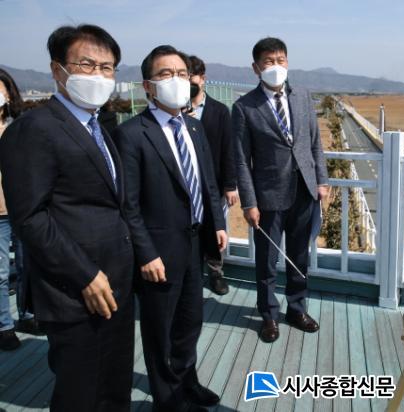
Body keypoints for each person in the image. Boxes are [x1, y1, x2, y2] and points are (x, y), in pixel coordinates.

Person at [0, 25, 135, 412]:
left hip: (116, 284)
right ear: (57, 70)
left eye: (107, 68)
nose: (98, 76)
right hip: (76, 290)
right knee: (81, 392)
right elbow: (31, 217)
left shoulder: (97, 127)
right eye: (87, 65)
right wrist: (85, 275)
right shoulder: (34, 129)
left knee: (114, 385)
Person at [113, 45, 228, 412]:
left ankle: (187, 382)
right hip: (159, 252)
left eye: (181, 73)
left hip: (195, 243)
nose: (176, 80)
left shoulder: (194, 127)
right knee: (160, 329)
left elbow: (207, 182)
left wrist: (217, 224)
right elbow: (128, 204)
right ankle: (168, 399)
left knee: (190, 322)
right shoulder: (132, 134)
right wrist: (145, 253)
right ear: (148, 86)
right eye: (165, 74)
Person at [233, 37, 329, 343]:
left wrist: (322, 181)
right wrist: (249, 203)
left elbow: (315, 143)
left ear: (288, 62)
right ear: (256, 68)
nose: (276, 66)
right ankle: (269, 316)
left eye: (281, 60)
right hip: (268, 197)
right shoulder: (244, 107)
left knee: (299, 256)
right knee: (267, 262)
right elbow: (241, 160)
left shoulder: (302, 96)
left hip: (304, 190)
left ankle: (296, 309)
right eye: (269, 62)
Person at [0, 68, 43, 352]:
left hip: (25, 206)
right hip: (0, 211)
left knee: (30, 265)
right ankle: (4, 325)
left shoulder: (19, 125)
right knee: (1, 272)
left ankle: (28, 313)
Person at [186, 55, 237, 296]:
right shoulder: (176, 110)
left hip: (214, 184)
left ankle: (216, 272)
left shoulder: (219, 111)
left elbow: (228, 149)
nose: (188, 84)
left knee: (217, 228)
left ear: (202, 79)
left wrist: (230, 184)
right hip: (186, 183)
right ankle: (192, 272)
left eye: (192, 79)